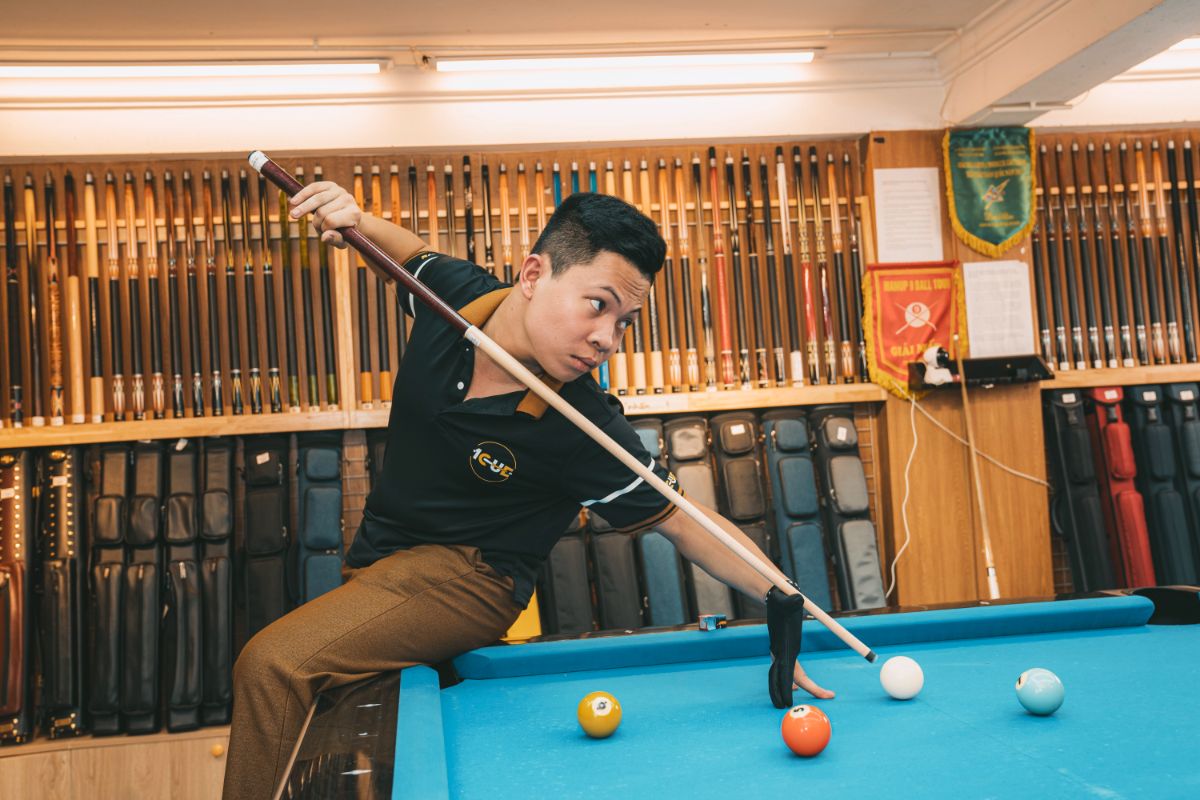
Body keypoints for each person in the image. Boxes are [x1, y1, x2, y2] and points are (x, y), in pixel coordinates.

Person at [222, 177, 833, 799]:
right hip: (380, 557)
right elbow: (407, 256)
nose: (607, 338)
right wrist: (357, 218)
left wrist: (786, 598)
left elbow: (683, 519)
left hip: (472, 578)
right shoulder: (455, 300)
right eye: (597, 305)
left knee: (273, 665)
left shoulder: (585, 425)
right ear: (534, 274)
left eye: (625, 322)